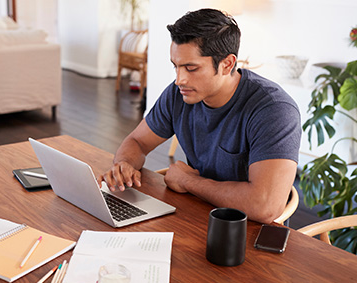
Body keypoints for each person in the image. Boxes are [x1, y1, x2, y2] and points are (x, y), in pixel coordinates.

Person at [99, 8, 301, 224]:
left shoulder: (274, 110)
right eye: (176, 66)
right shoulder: (178, 94)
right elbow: (138, 141)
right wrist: (124, 164)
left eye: (191, 68)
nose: (179, 80)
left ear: (227, 64)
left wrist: (188, 182)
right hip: (197, 214)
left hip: (249, 233)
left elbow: (265, 206)